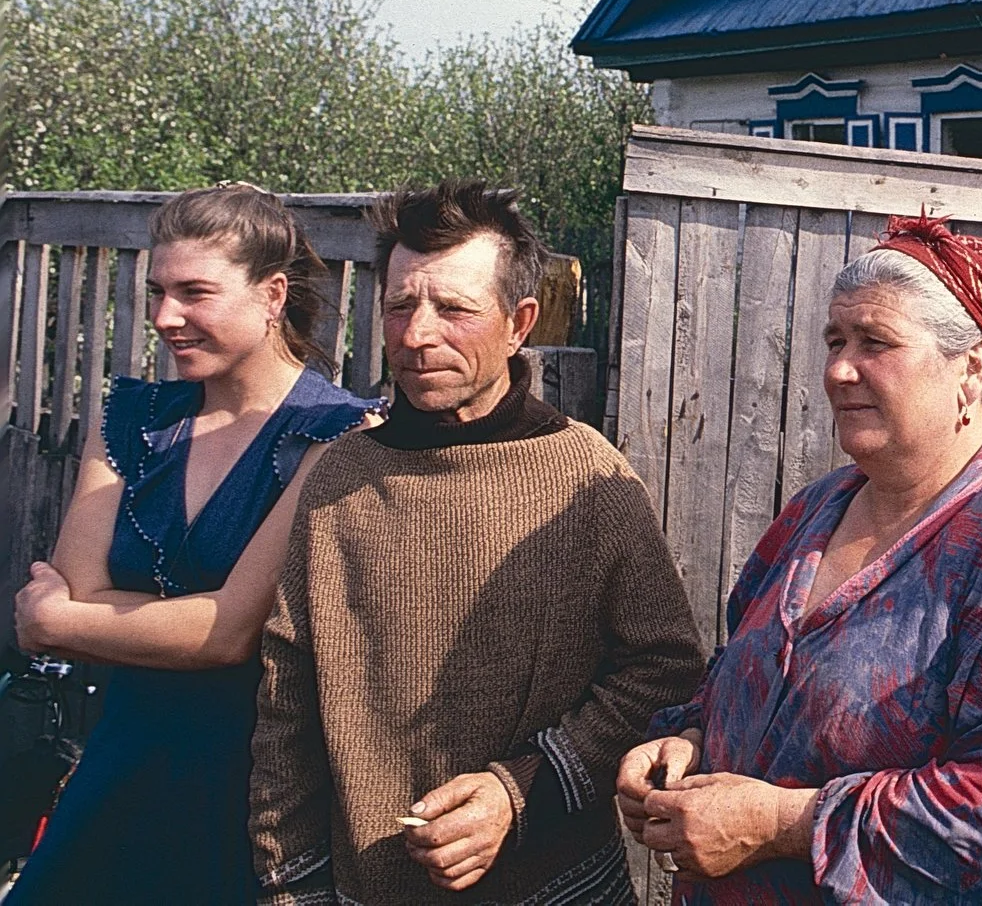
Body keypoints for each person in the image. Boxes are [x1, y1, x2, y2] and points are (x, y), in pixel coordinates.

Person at [616, 214, 982, 903]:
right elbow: (741, 675)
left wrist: (778, 825)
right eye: (835, 341)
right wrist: (688, 740)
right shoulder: (817, 508)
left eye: (875, 342)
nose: (840, 370)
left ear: (972, 367)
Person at [249, 181, 705, 905]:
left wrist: (519, 793)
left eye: (455, 310)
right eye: (400, 306)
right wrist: (291, 891)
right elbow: (286, 709)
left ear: (519, 323)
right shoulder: (340, 482)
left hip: (559, 887)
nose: (417, 335)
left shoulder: (585, 478)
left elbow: (664, 670)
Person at [9, 184, 385, 905]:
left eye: (194, 293)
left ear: (272, 295)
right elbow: (83, 584)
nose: (163, 317)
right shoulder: (133, 419)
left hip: (247, 796)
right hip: (116, 769)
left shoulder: (337, 434)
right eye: (157, 292)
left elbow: (228, 632)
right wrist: (87, 612)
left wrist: (58, 620)